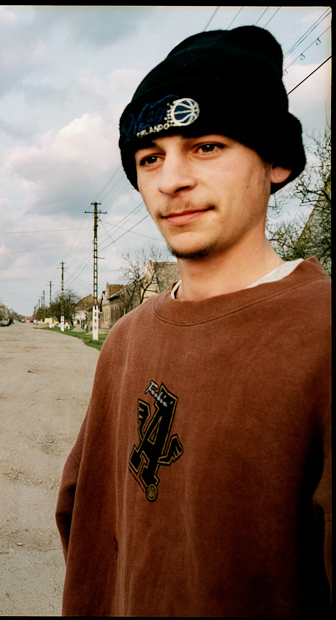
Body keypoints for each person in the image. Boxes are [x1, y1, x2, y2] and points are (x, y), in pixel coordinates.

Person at [55, 26, 331, 616]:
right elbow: (84, 521)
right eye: (149, 157)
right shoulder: (126, 341)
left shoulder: (323, 337)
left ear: (276, 160)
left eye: (206, 146)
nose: (171, 180)